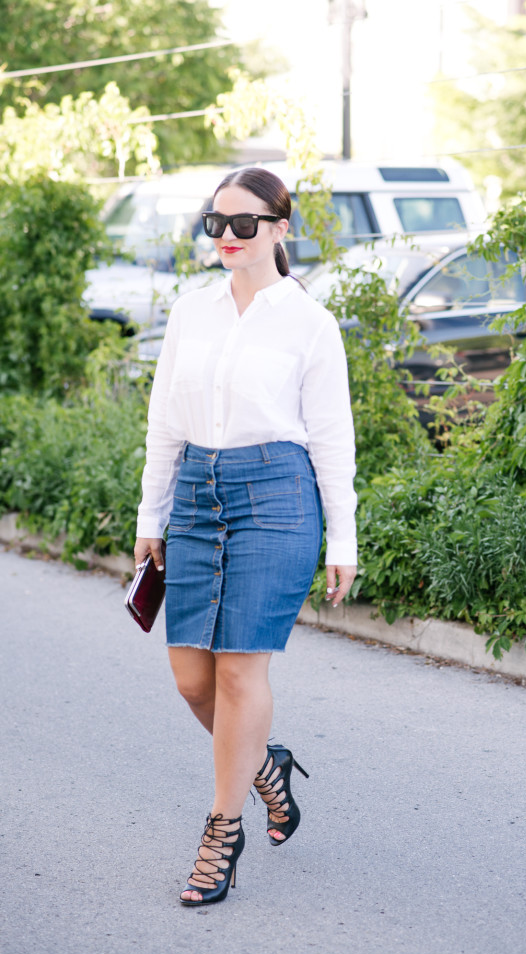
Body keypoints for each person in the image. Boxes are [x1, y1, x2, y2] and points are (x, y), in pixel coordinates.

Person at [133, 167, 358, 905]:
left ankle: (220, 833)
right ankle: (266, 768)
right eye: (215, 223)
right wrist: (151, 520)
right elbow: (164, 423)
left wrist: (342, 538)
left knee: (237, 673)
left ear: (280, 228)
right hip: (198, 496)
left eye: (244, 224)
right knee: (191, 679)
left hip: (277, 496)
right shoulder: (193, 313)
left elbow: (331, 440)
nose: (228, 237)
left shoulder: (309, 325)